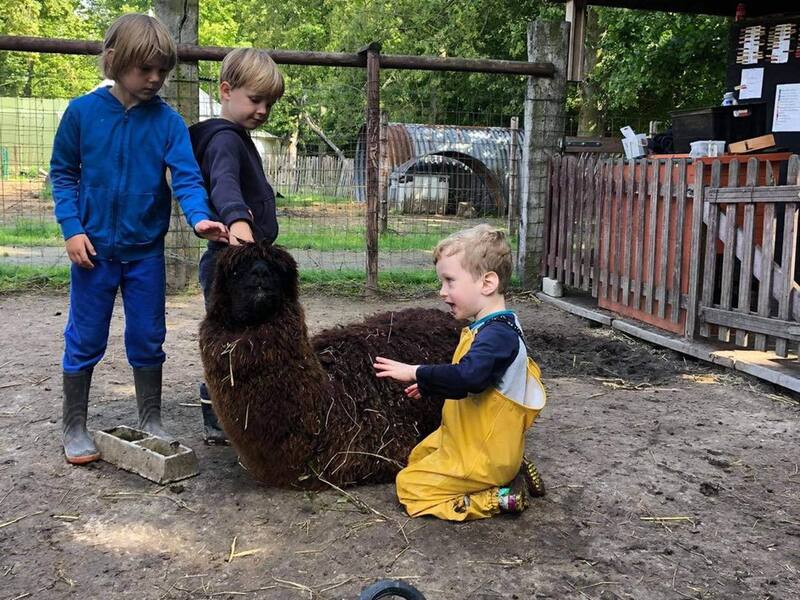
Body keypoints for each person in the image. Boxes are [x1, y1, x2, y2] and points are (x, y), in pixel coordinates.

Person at [50, 13, 228, 465]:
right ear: (113, 61)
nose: (155, 79)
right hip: (92, 253)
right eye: (144, 69)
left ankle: (150, 417)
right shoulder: (81, 114)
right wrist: (72, 230)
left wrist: (200, 218)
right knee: (86, 336)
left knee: (149, 336)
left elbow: (186, 178)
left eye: (162, 71)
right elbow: (63, 174)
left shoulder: (168, 122)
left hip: (145, 252)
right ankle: (74, 423)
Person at [373, 224, 547, 521]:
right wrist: (431, 385)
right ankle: (510, 469)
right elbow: (476, 380)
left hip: (482, 451)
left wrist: (416, 372)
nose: (442, 292)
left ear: (487, 283)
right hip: (469, 438)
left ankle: (499, 497)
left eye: (450, 281)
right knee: (417, 458)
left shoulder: (497, 337)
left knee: (409, 485)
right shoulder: (494, 328)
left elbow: (469, 377)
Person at [189, 48, 285, 444]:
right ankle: (219, 417)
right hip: (230, 262)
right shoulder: (225, 141)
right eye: (255, 99)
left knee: (252, 339)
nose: (263, 110)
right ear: (226, 90)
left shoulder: (239, 137)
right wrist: (239, 222)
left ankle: (241, 414)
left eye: (270, 103)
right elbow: (224, 184)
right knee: (230, 343)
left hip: (246, 262)